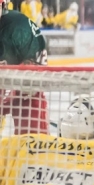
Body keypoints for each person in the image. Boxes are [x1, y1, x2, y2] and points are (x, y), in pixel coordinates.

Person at [0, 0, 50, 135]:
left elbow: (36, 68)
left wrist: (16, 91)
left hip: (23, 91)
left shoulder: (19, 27)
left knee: (32, 141)